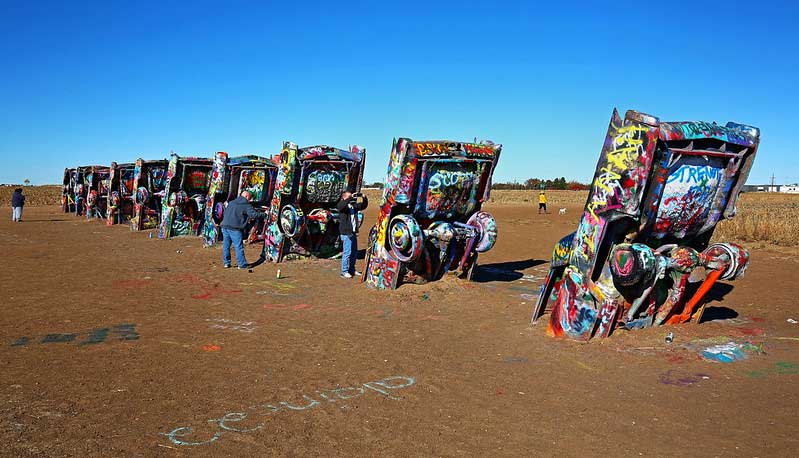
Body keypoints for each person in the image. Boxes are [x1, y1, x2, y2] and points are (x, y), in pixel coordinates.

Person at [220, 191, 266, 269]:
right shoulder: (246, 205)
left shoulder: (231, 202)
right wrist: (265, 214)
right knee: (238, 246)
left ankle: (226, 263)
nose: (250, 200)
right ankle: (241, 264)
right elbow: (253, 215)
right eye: (250, 199)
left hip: (225, 226)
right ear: (247, 197)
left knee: (226, 245)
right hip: (235, 228)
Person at [336, 190, 368, 278]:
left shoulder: (352, 206)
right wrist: (350, 198)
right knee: (347, 253)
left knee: (354, 252)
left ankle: (352, 270)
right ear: (344, 197)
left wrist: (364, 197)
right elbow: (341, 207)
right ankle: (344, 271)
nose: (352, 197)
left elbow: (363, 206)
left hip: (353, 232)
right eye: (349, 196)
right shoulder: (342, 205)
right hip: (346, 233)